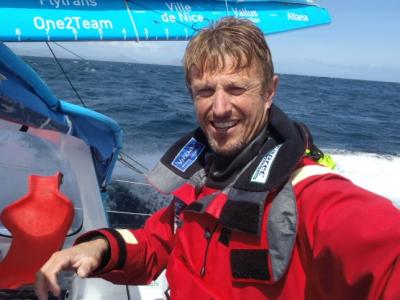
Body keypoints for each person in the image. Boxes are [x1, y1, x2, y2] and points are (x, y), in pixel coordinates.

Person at [35, 17, 400, 300]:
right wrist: (98, 247)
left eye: (237, 88)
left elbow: (384, 251)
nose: (220, 107)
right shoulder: (200, 176)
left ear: (270, 91)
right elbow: (157, 244)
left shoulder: (310, 195)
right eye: (206, 91)